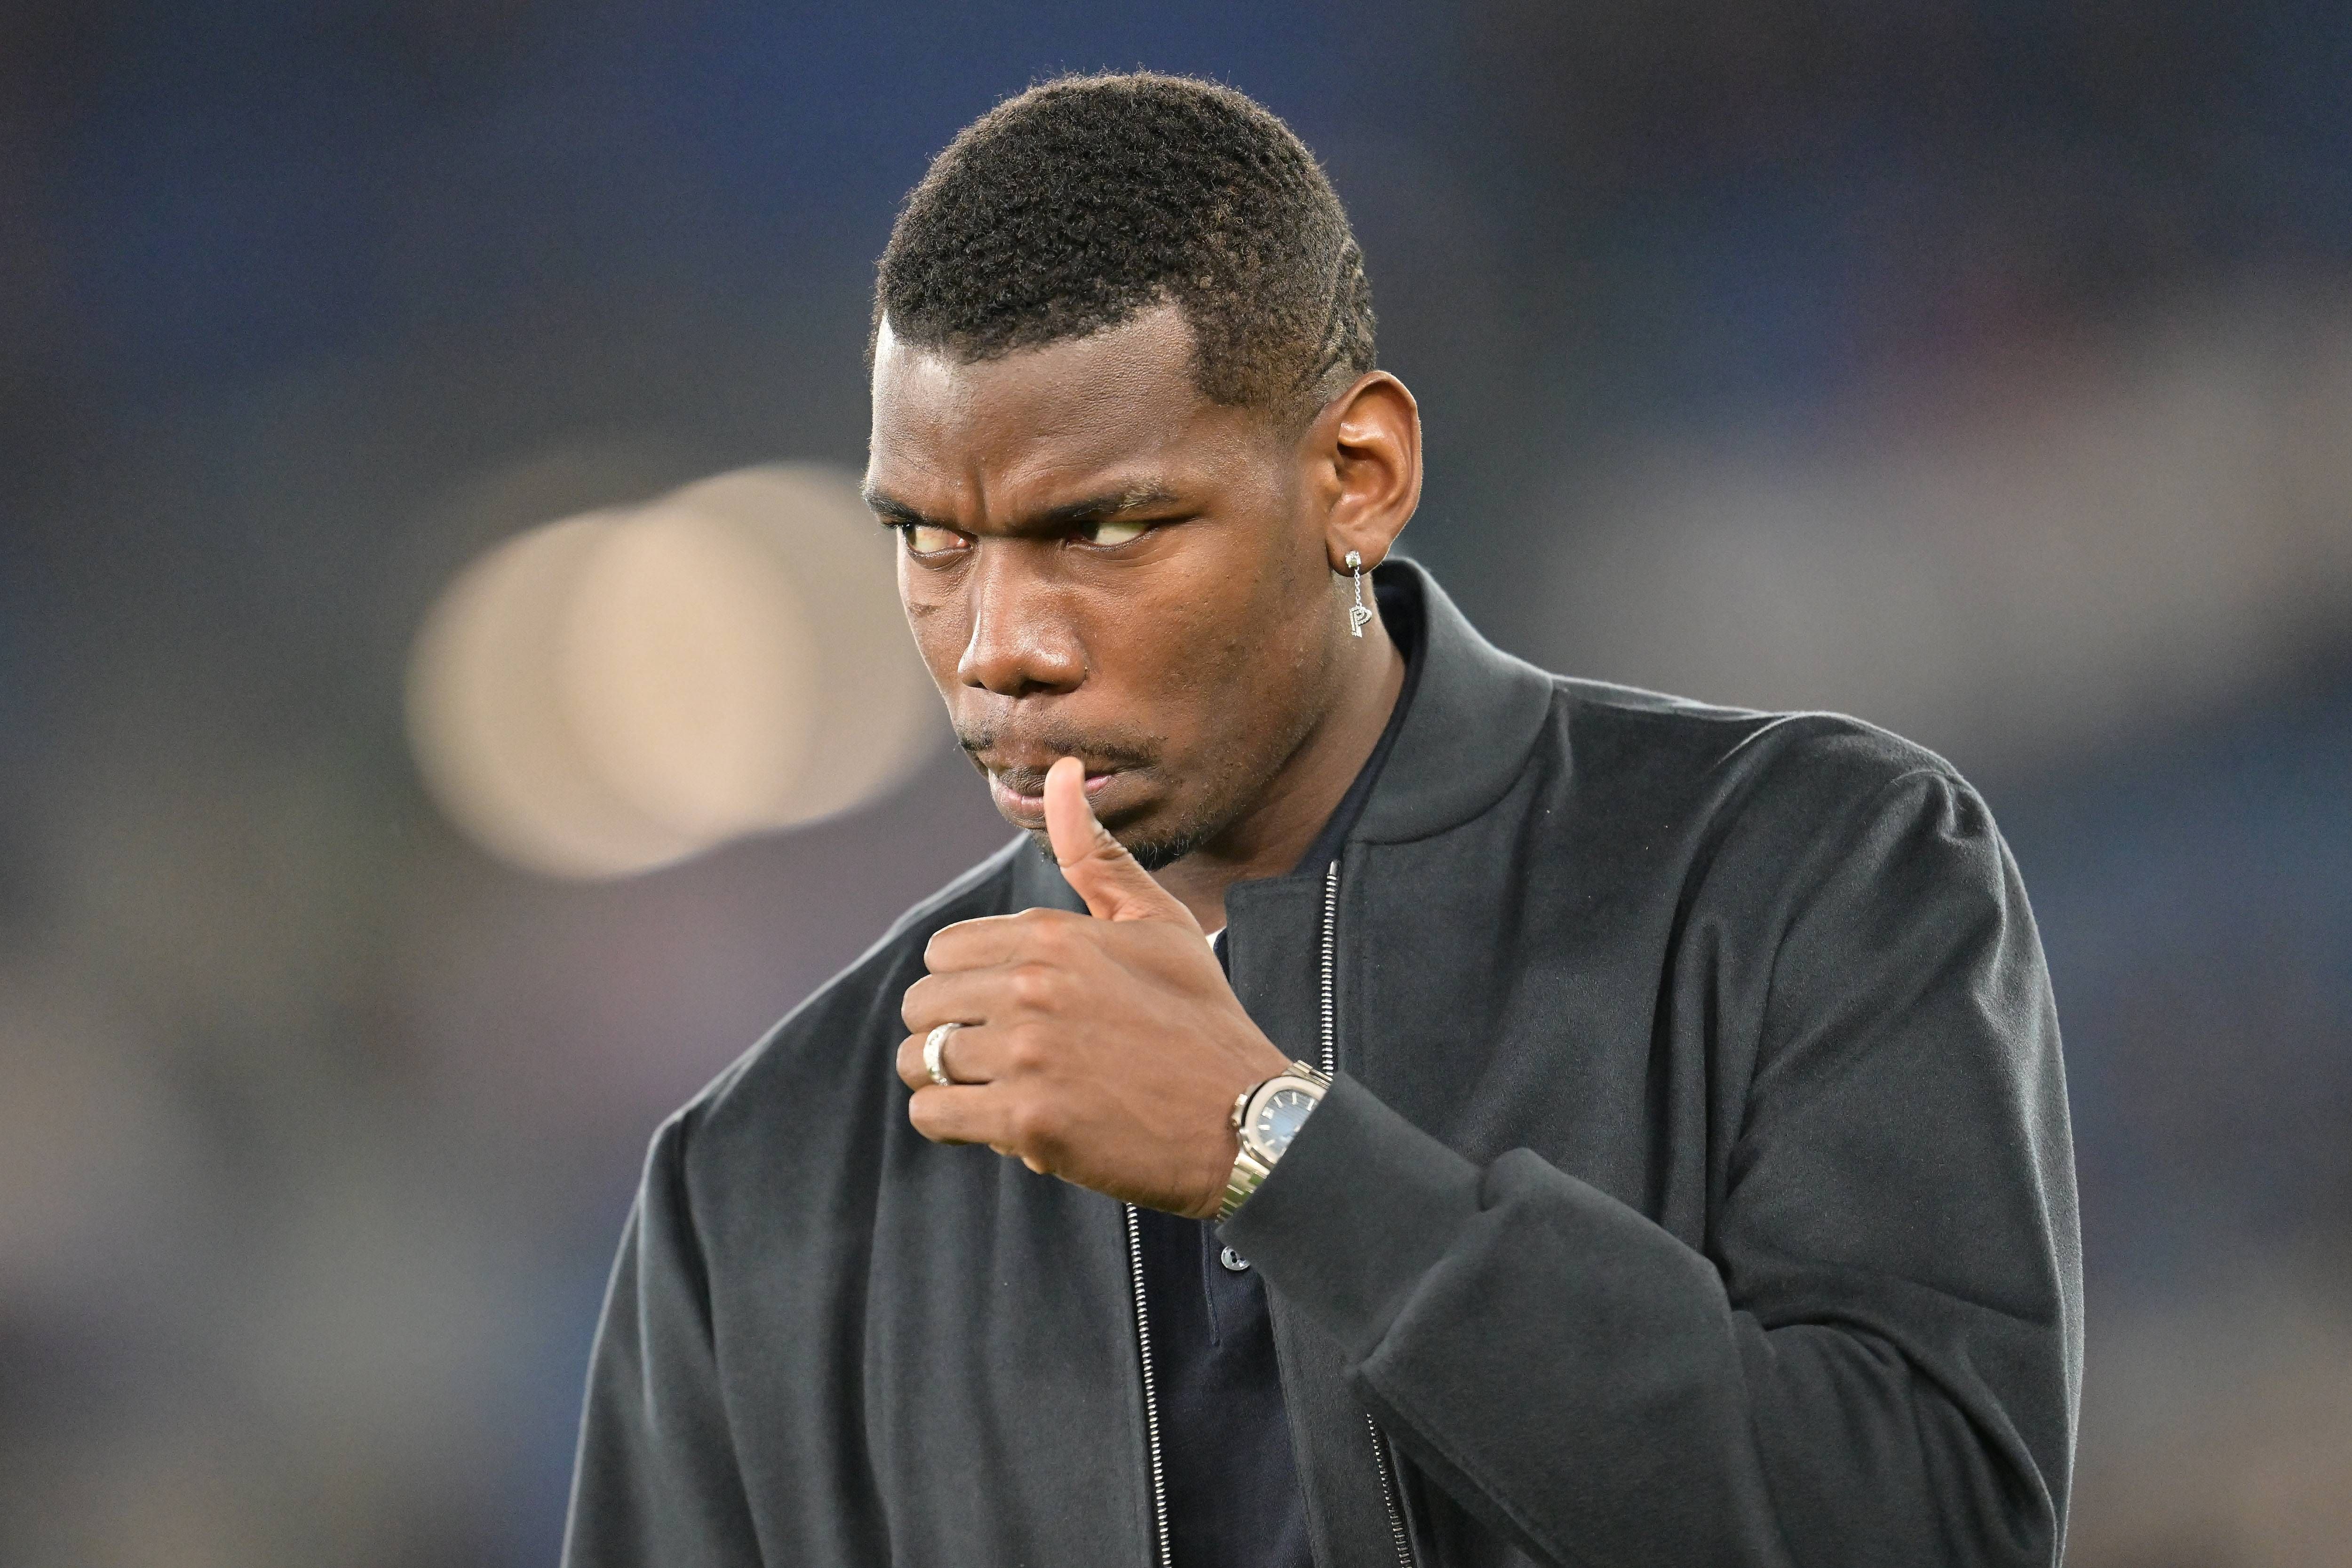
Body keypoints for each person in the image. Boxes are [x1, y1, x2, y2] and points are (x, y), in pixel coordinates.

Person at [562, 72, 2081, 1568]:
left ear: (1359, 478)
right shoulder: (757, 1174)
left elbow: (1936, 1530)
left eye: (1104, 527)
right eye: (933, 541)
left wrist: (1282, 1155)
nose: (995, 643)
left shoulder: (1815, 869)